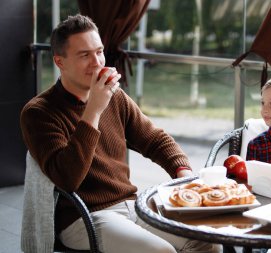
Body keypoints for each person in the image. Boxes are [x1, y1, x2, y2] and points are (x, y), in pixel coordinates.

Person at [20, 14, 219, 253]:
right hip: (82, 217)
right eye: (84, 55)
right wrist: (93, 109)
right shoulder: (38, 113)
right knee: (160, 251)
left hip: (132, 204)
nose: (97, 62)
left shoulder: (115, 96)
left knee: (207, 241)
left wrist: (182, 172)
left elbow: (154, 138)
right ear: (59, 62)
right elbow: (67, 179)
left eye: (99, 51)